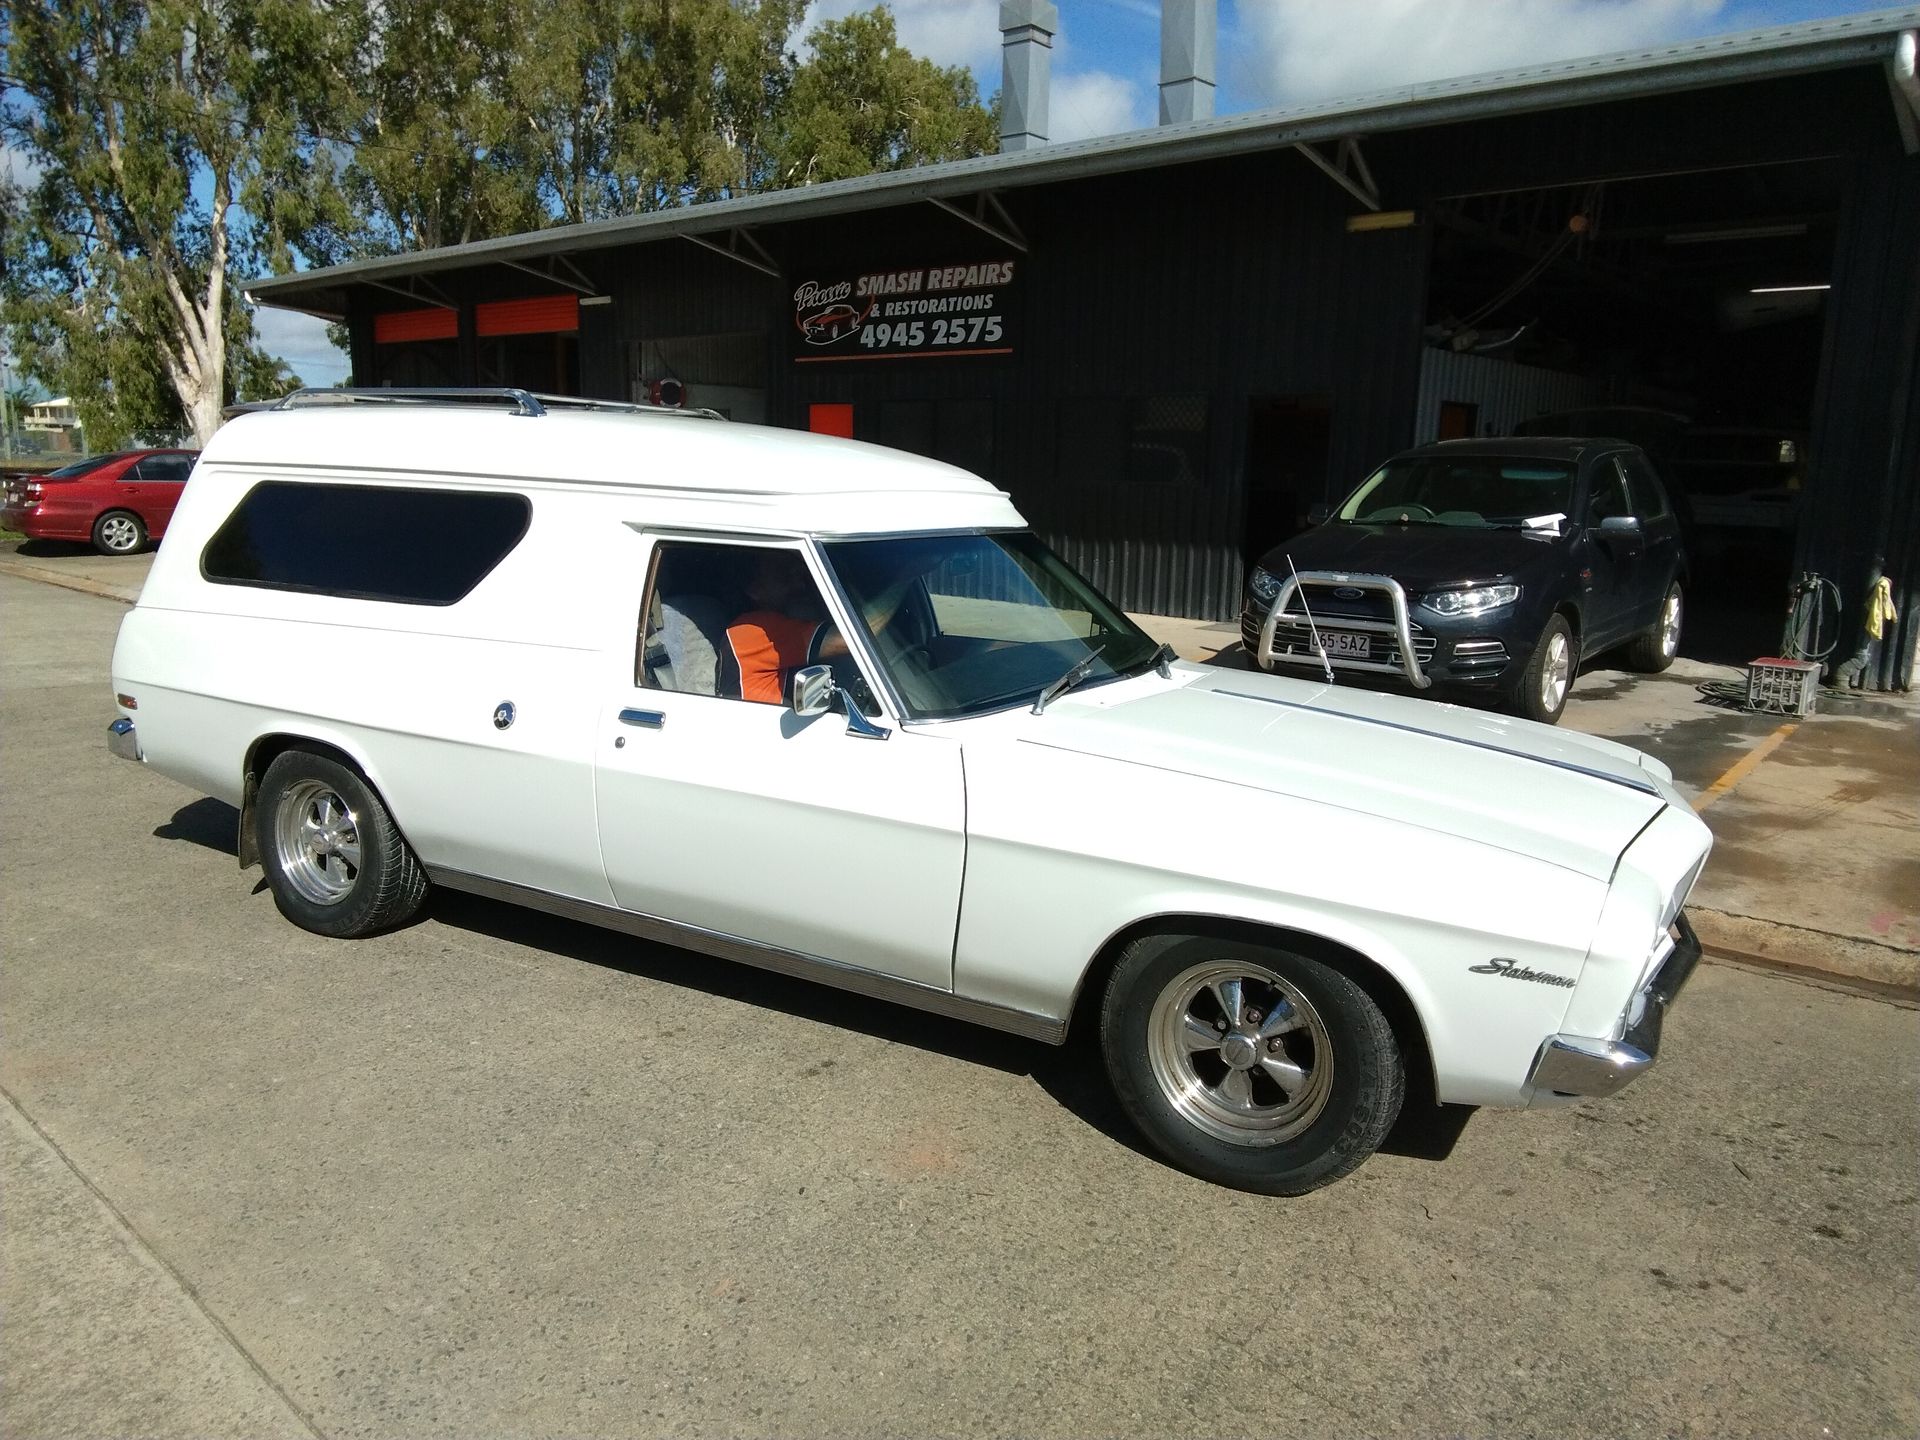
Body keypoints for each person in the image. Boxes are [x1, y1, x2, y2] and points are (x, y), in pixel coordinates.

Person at [725, 549, 912, 705]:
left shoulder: (776, 624)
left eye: (799, 573)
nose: (798, 582)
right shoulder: (755, 629)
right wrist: (907, 577)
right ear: (754, 589)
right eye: (783, 574)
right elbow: (849, 639)